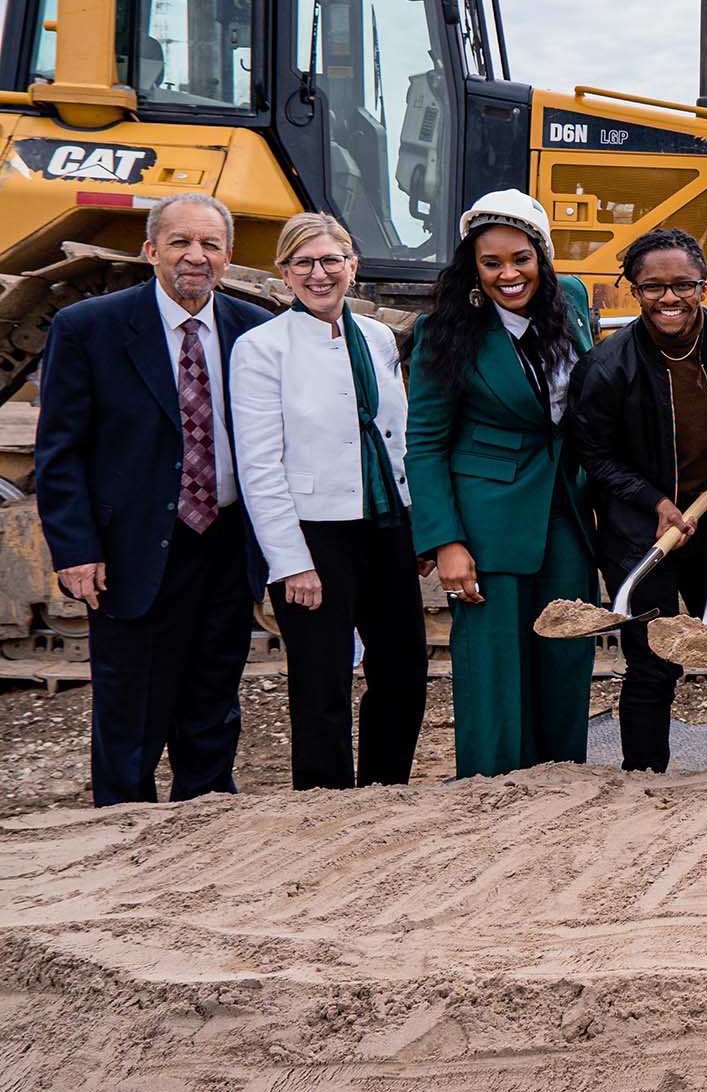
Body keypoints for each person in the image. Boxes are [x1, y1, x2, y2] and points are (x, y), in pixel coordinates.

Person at [34, 194, 273, 805]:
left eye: (210, 245)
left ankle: (205, 819)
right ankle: (120, 827)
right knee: (130, 706)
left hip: (225, 541)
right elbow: (60, 452)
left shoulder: (256, 330)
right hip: (130, 547)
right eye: (180, 243)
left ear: (227, 256)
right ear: (151, 251)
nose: (195, 256)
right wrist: (76, 549)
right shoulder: (89, 328)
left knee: (214, 694)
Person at [405, 189, 598, 779]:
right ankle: (491, 793)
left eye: (521, 258)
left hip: (564, 505)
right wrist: (446, 541)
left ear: (543, 255)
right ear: (473, 266)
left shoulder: (571, 300)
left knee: (567, 648)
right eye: (492, 263)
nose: (508, 274)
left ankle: (559, 781)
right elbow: (427, 443)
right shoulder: (445, 328)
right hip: (486, 518)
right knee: (493, 665)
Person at [229, 211, 424, 791]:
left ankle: (386, 788)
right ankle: (323, 800)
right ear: (284, 273)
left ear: (352, 266)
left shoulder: (378, 337)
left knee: (403, 670)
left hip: (386, 524)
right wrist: (292, 562)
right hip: (314, 533)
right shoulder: (261, 348)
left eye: (331, 261)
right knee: (323, 679)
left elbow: (398, 437)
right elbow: (259, 466)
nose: (320, 274)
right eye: (304, 263)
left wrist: (417, 527)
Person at [566, 226, 707, 773]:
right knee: (651, 660)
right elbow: (595, 457)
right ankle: (644, 775)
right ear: (634, 289)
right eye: (653, 287)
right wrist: (652, 500)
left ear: (703, 285)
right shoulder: (607, 368)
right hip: (640, 528)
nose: (669, 298)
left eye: (683, 284)